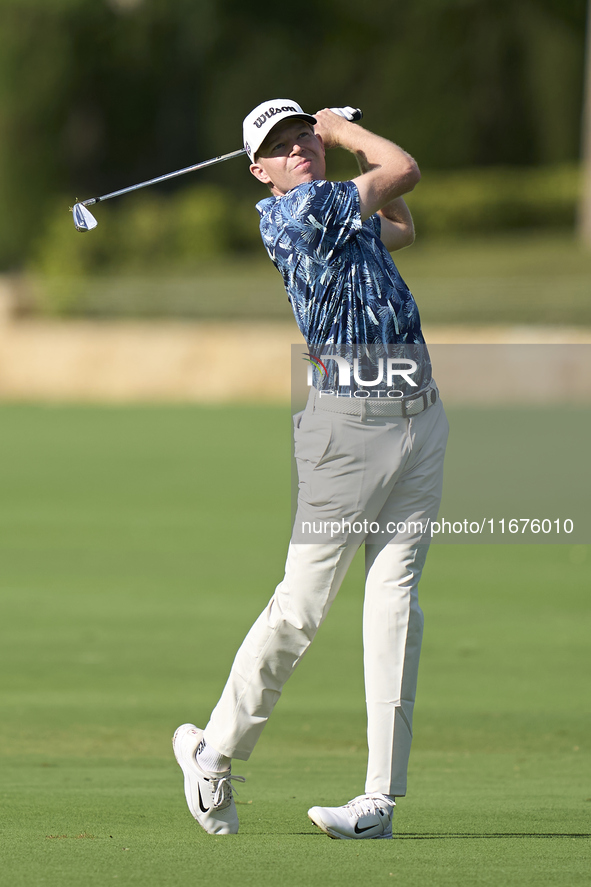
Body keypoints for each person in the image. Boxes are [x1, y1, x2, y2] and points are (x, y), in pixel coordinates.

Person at [173, 99, 448, 840]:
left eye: (304, 137)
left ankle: (378, 802)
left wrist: (339, 143)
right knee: (301, 608)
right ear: (260, 173)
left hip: (419, 419)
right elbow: (404, 171)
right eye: (282, 146)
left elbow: (401, 224)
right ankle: (213, 754)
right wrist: (342, 130)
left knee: (396, 608)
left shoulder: (340, 212)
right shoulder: (292, 217)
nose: (300, 148)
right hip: (345, 432)